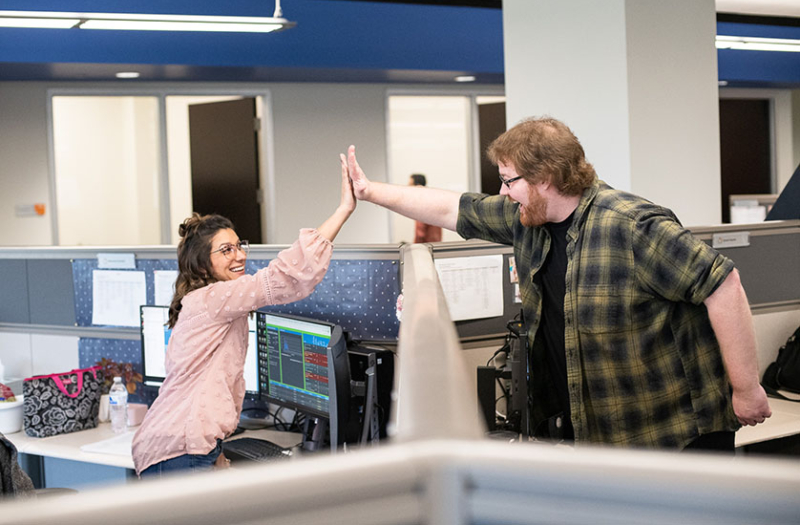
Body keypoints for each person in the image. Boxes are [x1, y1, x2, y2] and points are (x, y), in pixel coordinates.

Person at [344, 116, 771, 453]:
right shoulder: (529, 219)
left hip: (671, 435)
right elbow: (454, 209)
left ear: (545, 177)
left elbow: (723, 285)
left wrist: (746, 389)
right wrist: (369, 190)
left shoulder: (631, 226)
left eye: (509, 180)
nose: (504, 191)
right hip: (598, 435)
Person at [132, 157, 355, 477]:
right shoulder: (213, 298)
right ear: (201, 264)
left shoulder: (207, 301)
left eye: (240, 246)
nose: (239, 255)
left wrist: (215, 451)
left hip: (181, 445)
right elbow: (286, 277)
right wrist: (343, 210)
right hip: (181, 448)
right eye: (226, 250)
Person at [408, 173, 442, 244]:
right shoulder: (432, 198)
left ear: (418, 186)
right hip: (435, 245)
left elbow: (420, 233)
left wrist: (415, 247)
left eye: (410, 185)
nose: (408, 188)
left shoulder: (421, 202)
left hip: (425, 247)